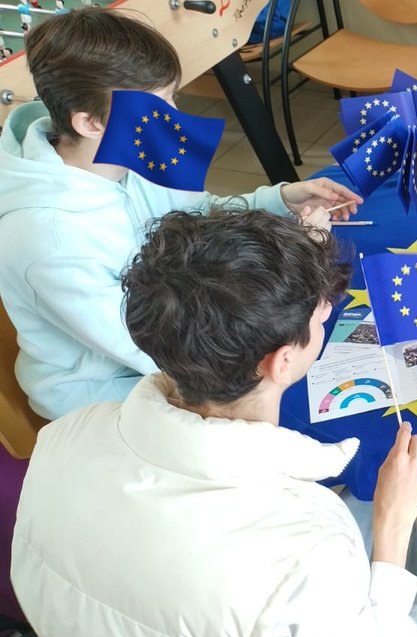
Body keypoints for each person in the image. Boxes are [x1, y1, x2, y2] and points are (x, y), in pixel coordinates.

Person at [10, 207, 417, 637]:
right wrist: (393, 529)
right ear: (283, 361)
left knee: (355, 506)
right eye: (322, 317)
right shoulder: (307, 545)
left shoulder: (62, 437)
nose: (328, 317)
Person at [0, 7, 363, 421]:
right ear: (90, 123)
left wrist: (278, 199)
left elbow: (199, 217)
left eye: (172, 96)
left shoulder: (126, 156)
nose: (174, 114)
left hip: (176, 339)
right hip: (109, 394)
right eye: (160, 104)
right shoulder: (48, 239)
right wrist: (299, 253)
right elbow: (161, 350)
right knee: (306, 388)